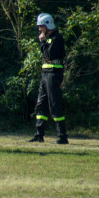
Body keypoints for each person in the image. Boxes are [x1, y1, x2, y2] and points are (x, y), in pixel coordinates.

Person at [28, 13, 69, 144]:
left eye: (41, 27)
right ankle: (39, 135)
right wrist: (44, 42)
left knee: (55, 105)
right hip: (45, 75)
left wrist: (43, 42)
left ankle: (62, 136)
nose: (39, 29)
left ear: (47, 25)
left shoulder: (57, 38)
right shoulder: (49, 38)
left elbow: (48, 54)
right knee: (41, 105)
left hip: (53, 75)